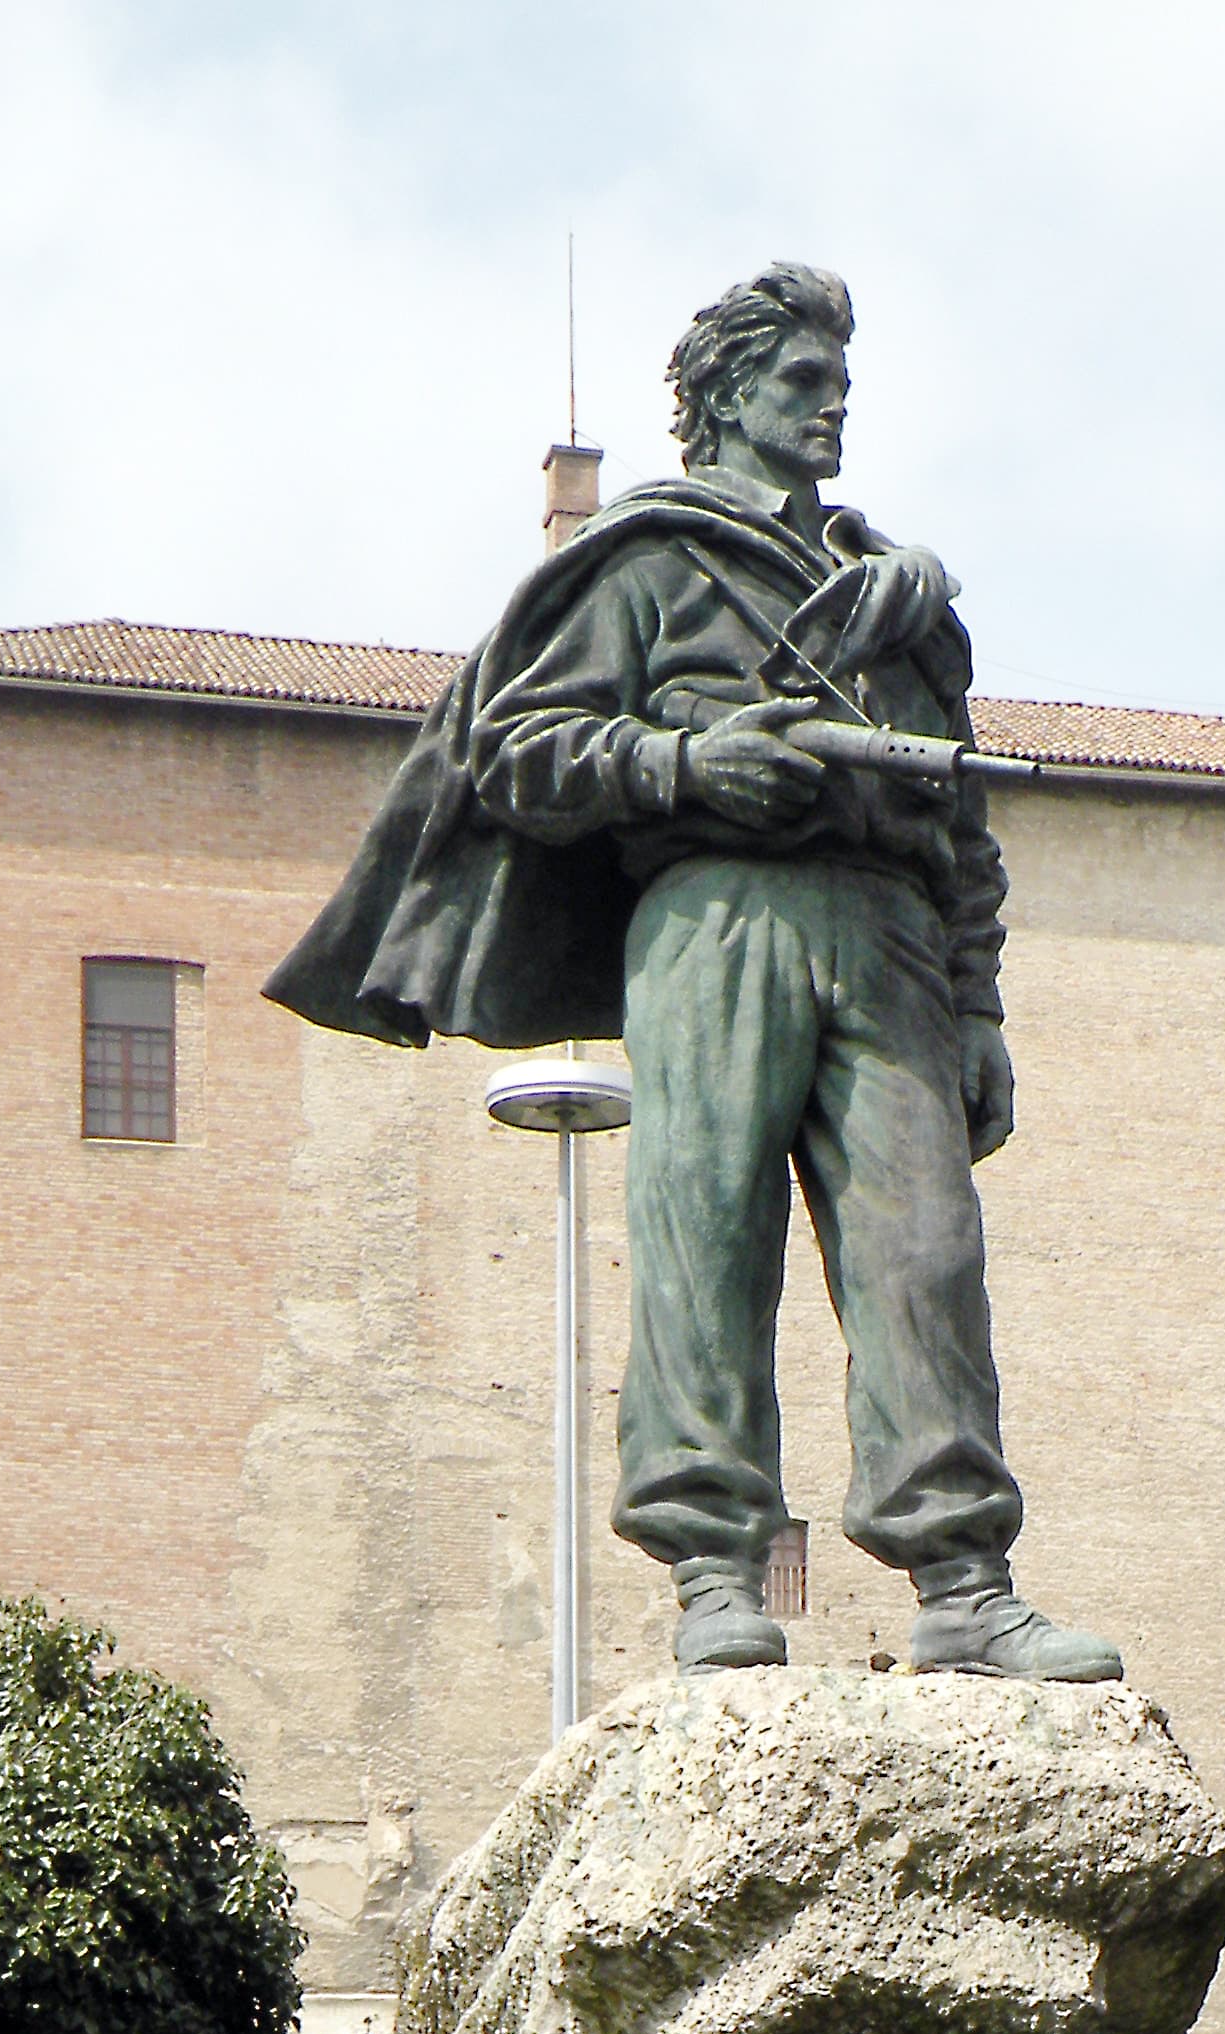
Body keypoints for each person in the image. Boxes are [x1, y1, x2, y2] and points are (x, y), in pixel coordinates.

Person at [266, 261, 1119, 1685]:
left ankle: (965, 1581)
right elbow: (517, 752)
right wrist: (684, 761)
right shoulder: (646, 563)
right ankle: (714, 1575)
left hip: (892, 934)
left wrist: (978, 1005)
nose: (832, 405)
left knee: (928, 1258)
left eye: (843, 384)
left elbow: (963, 829)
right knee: (704, 1244)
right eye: (801, 380)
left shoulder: (895, 597)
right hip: (713, 919)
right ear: (725, 395)